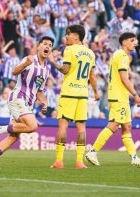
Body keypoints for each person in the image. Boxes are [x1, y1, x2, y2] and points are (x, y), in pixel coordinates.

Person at [0, 36, 54, 169]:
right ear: (38, 47)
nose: (47, 46)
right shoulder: (29, 59)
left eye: (50, 45)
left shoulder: (46, 70)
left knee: (13, 137)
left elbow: (39, 91)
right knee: (33, 126)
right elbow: (14, 72)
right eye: (45, 44)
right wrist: (25, 64)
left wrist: (45, 102)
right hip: (18, 98)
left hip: (27, 104)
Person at [85, 32, 140, 166]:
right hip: (118, 96)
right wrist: (136, 95)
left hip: (120, 96)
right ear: (124, 43)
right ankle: (92, 151)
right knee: (113, 125)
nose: (135, 43)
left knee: (126, 126)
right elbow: (124, 78)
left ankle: (134, 157)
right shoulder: (122, 56)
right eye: (132, 40)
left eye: (135, 40)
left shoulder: (120, 55)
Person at [47, 24, 100, 170]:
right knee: (81, 128)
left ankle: (59, 161)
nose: (66, 37)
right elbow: (92, 76)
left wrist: (52, 61)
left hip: (69, 93)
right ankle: (79, 162)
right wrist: (96, 92)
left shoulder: (69, 49)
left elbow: (65, 70)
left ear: (76, 36)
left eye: (68, 34)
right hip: (83, 94)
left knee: (63, 126)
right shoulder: (90, 53)